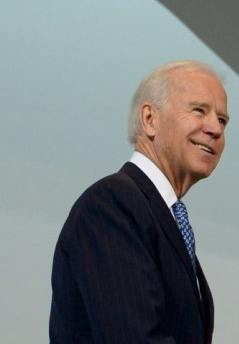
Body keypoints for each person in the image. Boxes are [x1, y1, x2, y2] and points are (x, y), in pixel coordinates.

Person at [49, 60, 229, 344]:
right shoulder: (111, 204)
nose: (215, 129)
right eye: (199, 110)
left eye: (222, 119)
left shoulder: (159, 214)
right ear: (149, 119)